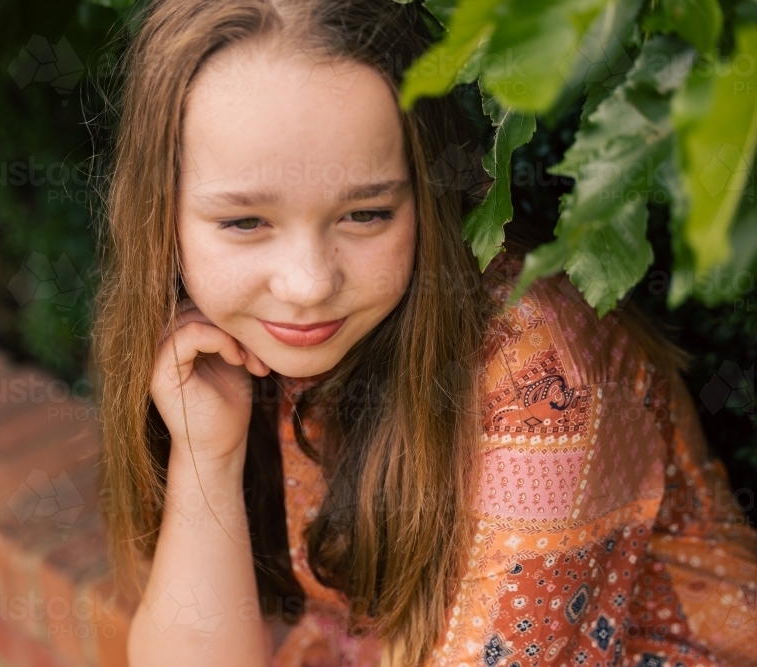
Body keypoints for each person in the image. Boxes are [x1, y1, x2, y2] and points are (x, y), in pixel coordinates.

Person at [89, 0, 757, 665]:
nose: (308, 283)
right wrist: (208, 451)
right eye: (245, 223)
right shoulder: (224, 353)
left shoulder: (543, 389)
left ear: (430, 194)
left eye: (366, 213)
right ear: (161, 216)